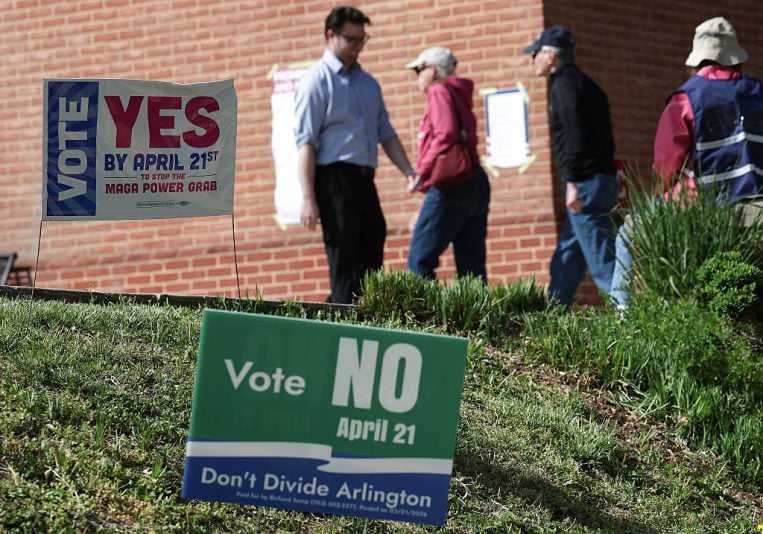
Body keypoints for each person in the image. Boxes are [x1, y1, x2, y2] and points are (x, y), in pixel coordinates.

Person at [610, 16, 763, 310]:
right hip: (758, 205)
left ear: (698, 59)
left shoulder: (687, 98)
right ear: (735, 59)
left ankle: (622, 316)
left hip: (705, 206)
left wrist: (660, 196)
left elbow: (668, 166)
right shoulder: (758, 92)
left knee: (628, 233)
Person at [294, 5, 417, 304]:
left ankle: (366, 315)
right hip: (333, 178)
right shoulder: (316, 81)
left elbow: (385, 133)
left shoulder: (368, 83)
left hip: (363, 177)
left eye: (362, 39)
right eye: (351, 40)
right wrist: (308, 197)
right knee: (345, 255)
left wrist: (409, 172)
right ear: (330, 36)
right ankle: (340, 316)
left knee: (374, 238)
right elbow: (305, 142)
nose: (357, 46)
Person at [523, 26, 619, 307]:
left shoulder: (563, 86)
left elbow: (573, 137)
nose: (533, 60)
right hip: (599, 180)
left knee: (603, 264)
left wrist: (573, 184)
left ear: (551, 56)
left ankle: (630, 322)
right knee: (568, 256)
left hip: (584, 184)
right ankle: (552, 316)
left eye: (535, 54)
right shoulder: (588, 85)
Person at [404, 47, 491, 281]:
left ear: (432, 71)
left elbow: (447, 133)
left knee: (418, 262)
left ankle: (422, 318)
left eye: (418, 70)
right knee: (471, 270)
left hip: (452, 187)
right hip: (474, 180)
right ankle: (478, 317)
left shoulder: (438, 90)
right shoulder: (457, 94)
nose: (417, 77)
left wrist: (421, 172)